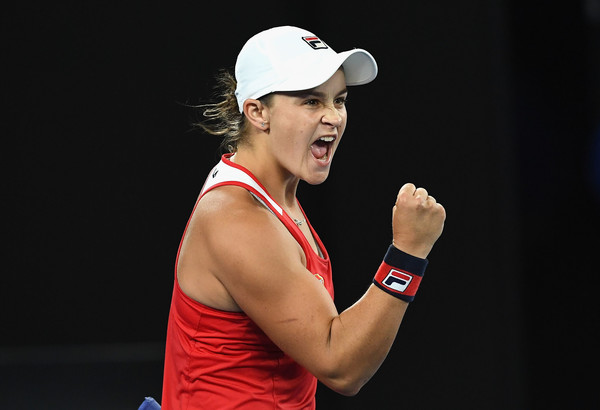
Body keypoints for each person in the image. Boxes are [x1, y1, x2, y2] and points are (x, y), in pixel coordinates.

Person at [161, 25, 446, 409]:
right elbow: (341, 365)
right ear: (258, 112)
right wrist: (408, 254)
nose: (333, 117)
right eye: (312, 102)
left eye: (339, 100)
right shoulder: (238, 218)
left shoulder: (274, 194)